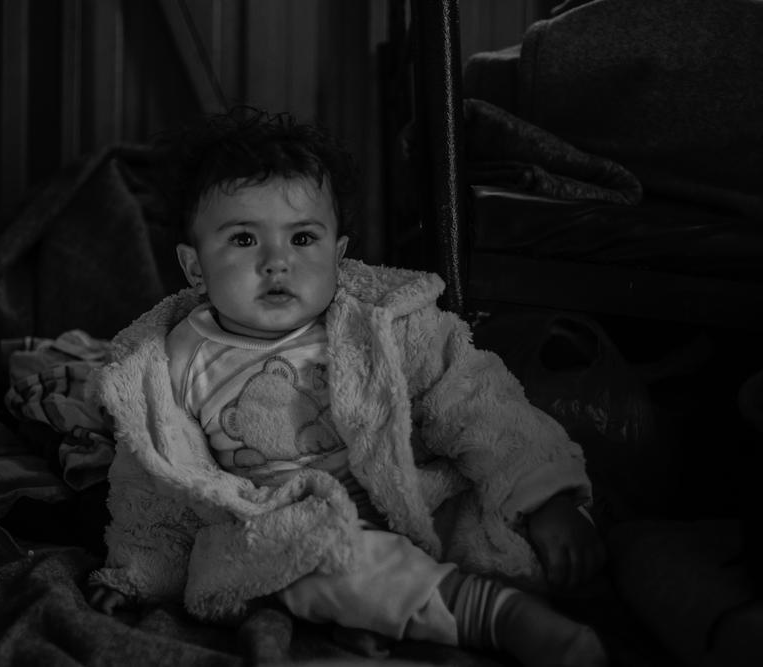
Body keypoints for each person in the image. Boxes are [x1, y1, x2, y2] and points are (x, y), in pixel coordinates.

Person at [87, 107, 607, 666]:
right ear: (194, 267)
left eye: (302, 237)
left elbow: (479, 401)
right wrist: (139, 573)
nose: (277, 262)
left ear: (337, 255)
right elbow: (157, 486)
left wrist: (544, 496)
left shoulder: (383, 326)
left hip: (414, 498)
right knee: (289, 567)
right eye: (243, 238)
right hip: (297, 531)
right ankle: (492, 615)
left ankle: (412, 608)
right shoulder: (172, 363)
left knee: (525, 541)